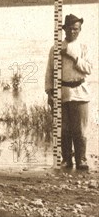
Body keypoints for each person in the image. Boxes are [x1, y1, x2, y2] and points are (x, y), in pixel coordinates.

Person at [45, 14, 93, 170]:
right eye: (70, 29)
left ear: (80, 30)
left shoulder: (84, 47)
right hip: (63, 92)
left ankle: (81, 160)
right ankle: (66, 159)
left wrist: (74, 57)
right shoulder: (56, 48)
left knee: (80, 129)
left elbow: (89, 69)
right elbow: (50, 72)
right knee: (64, 128)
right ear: (64, 29)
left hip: (80, 91)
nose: (73, 32)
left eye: (76, 29)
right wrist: (49, 92)